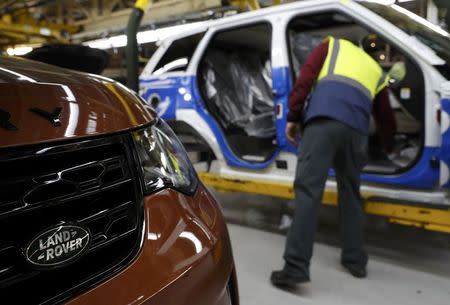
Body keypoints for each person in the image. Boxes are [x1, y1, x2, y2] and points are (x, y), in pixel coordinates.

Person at [270, 36, 396, 287]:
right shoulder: (375, 69)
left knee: (308, 191)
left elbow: (305, 80)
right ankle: (355, 261)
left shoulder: (331, 45)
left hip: (323, 122)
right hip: (357, 134)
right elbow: (385, 117)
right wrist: (389, 147)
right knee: (350, 193)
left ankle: (295, 267)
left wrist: (293, 117)